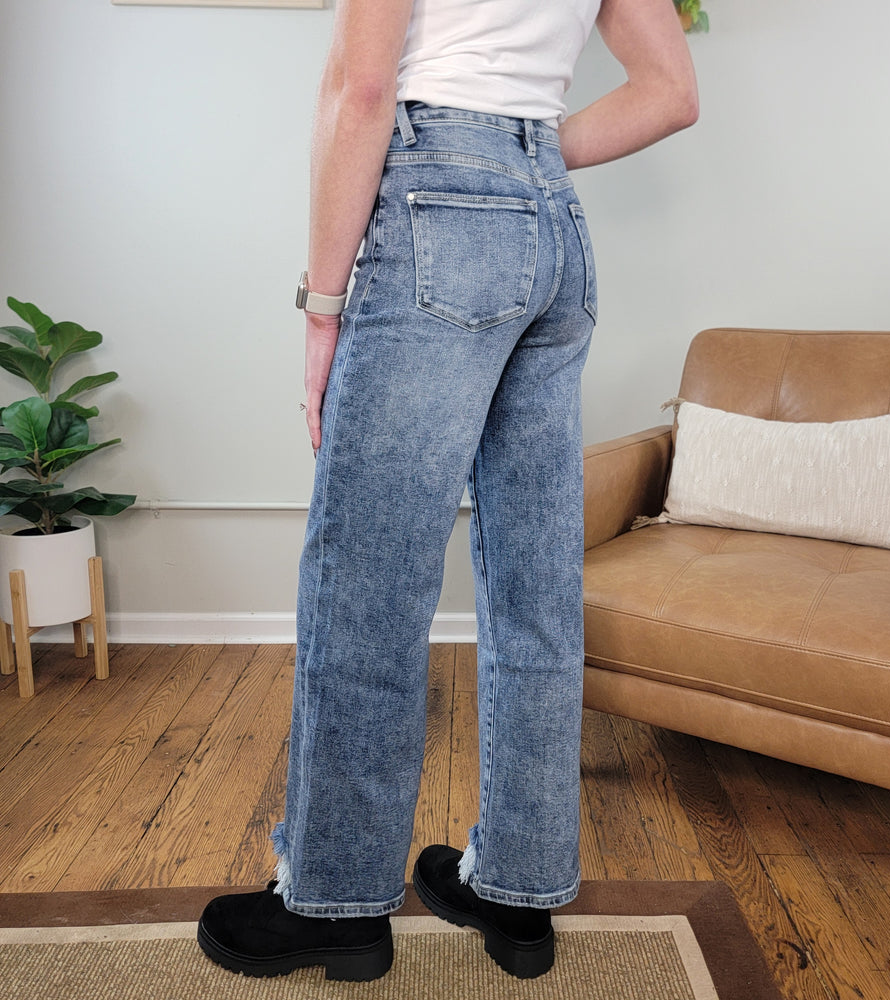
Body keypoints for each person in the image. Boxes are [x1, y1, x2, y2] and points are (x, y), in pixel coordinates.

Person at [197, 0, 698, 983]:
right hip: (555, 230)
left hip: (439, 211)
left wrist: (321, 312)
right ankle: (518, 886)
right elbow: (671, 93)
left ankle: (333, 900)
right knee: (534, 584)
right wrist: (522, 154)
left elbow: (361, 90)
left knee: (368, 581)